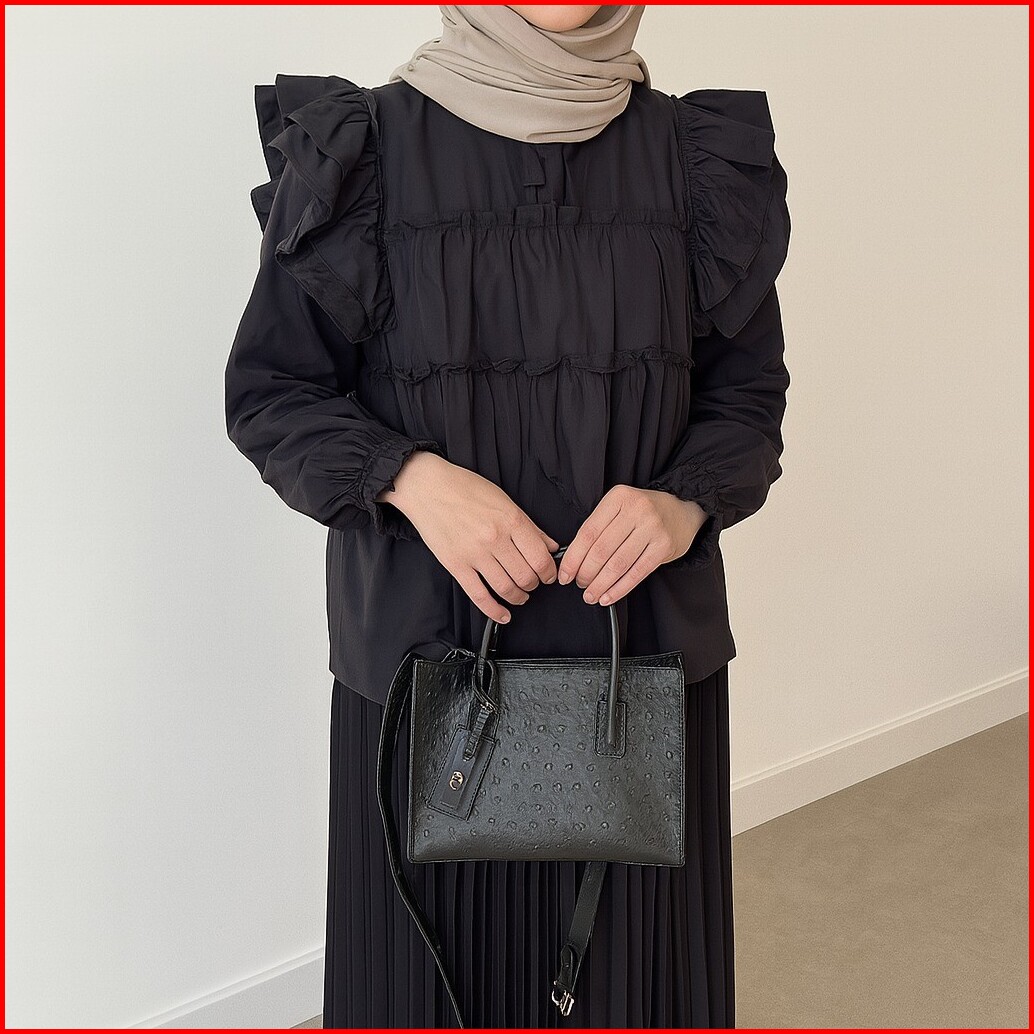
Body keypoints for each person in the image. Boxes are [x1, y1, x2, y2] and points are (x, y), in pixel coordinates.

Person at [224, 4, 790, 1027]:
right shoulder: (360, 153)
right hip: (424, 674)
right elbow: (273, 394)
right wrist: (409, 478)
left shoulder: (697, 161)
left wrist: (682, 501)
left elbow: (746, 401)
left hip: (639, 675)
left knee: (636, 990)